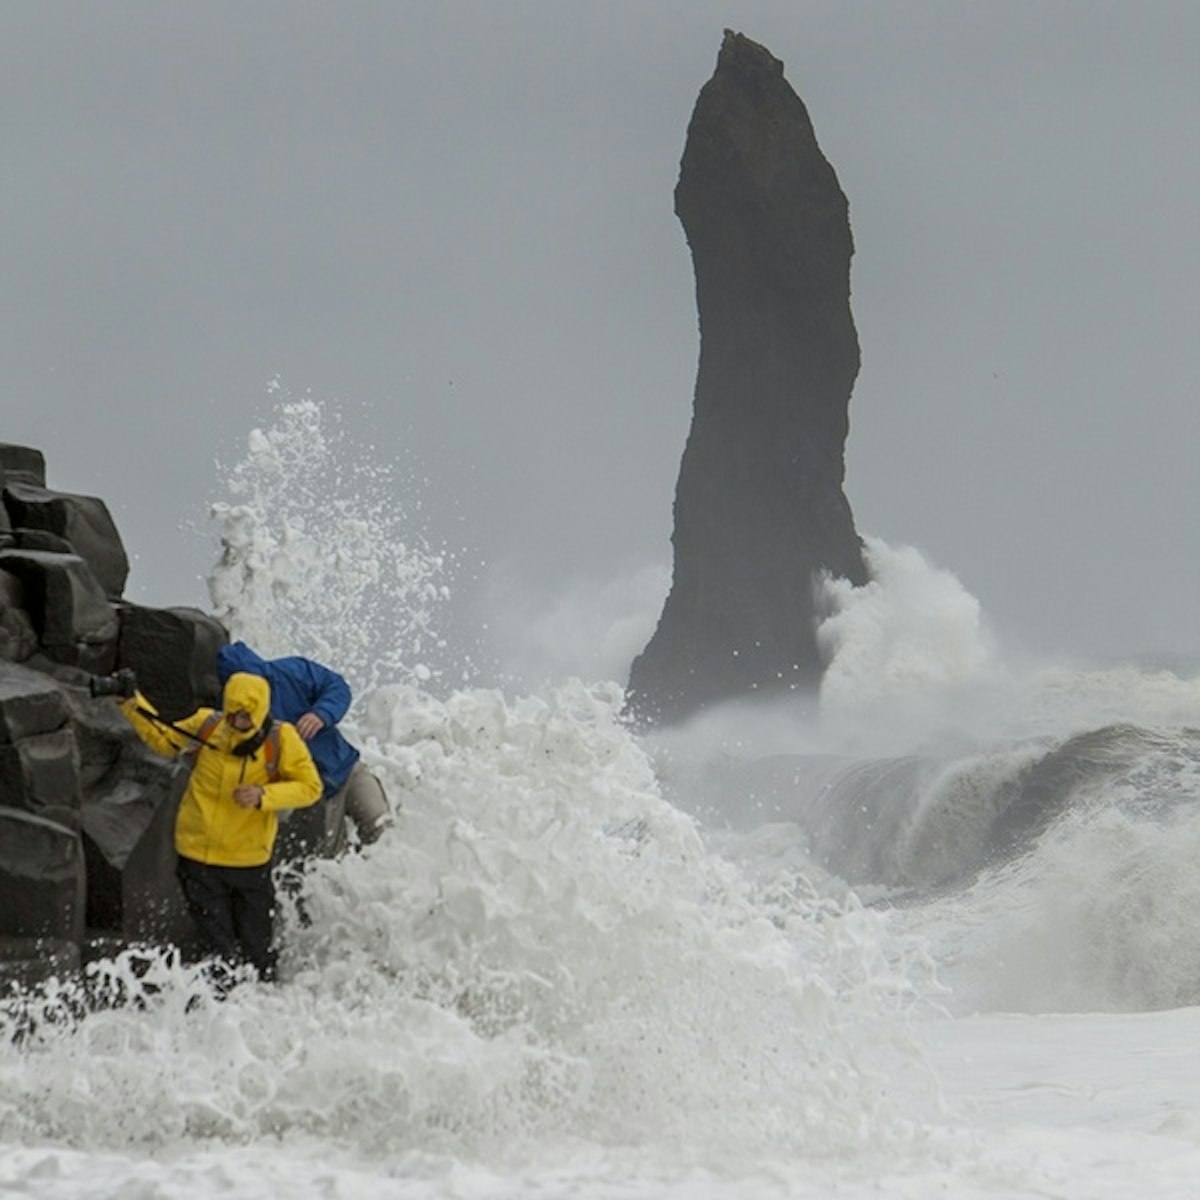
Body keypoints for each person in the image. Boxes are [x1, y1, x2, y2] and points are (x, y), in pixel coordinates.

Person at [117, 670, 322, 983]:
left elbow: (310, 787)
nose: (237, 721)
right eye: (233, 713)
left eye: (245, 716)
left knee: (257, 948)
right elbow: (163, 739)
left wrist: (263, 795)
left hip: (248, 861)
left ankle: (264, 1006)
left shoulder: (281, 739)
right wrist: (131, 703)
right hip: (197, 855)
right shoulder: (208, 725)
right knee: (218, 948)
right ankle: (223, 1007)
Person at [215, 641, 391, 860]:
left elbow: (337, 686)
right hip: (317, 796)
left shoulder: (291, 671)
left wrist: (322, 713)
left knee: (382, 828)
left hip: (347, 769)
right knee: (334, 862)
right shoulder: (233, 721)